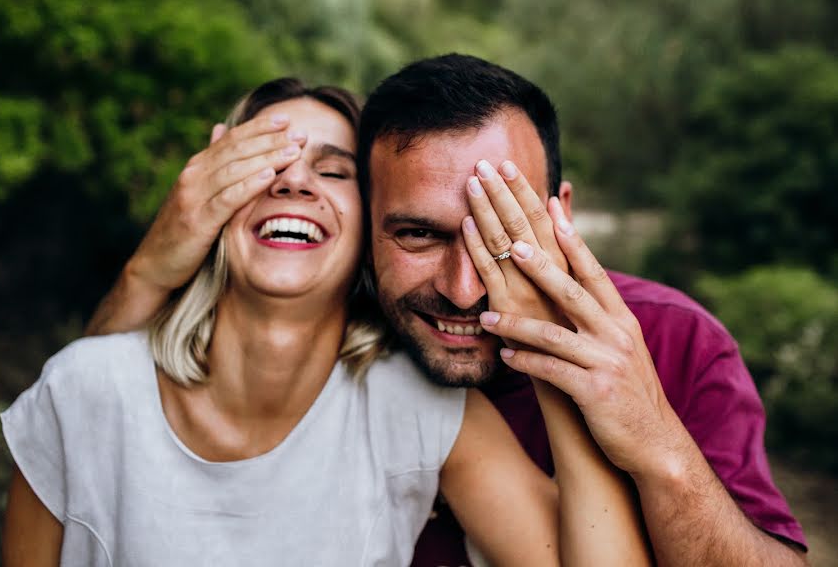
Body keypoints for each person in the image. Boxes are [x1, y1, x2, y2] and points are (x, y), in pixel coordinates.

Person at [85, 55, 807, 565]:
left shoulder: (675, 340)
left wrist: (658, 448)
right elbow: (96, 429)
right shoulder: (340, 328)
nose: (463, 288)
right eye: (418, 235)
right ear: (367, 226)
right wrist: (156, 260)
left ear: (562, 215)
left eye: (500, 237)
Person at [1, 78, 651, 566]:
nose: (295, 183)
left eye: (334, 170)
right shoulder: (83, 386)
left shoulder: (417, 410)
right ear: (208, 202)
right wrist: (151, 262)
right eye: (262, 164)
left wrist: (550, 337)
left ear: (374, 232)